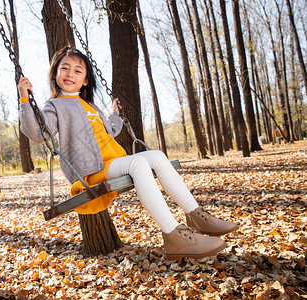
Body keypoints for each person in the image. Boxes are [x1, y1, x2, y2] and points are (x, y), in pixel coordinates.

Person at [18, 46, 238, 261]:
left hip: (113, 163)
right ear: (55, 73)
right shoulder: (54, 106)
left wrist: (114, 115)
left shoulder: (89, 105)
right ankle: (174, 235)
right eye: (64, 68)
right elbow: (38, 133)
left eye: (77, 71)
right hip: (91, 172)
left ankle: (197, 216)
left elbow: (109, 131)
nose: (70, 74)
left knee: (158, 156)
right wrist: (25, 100)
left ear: (85, 80)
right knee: (138, 164)